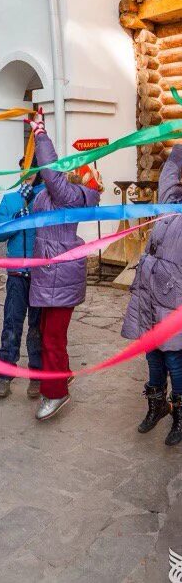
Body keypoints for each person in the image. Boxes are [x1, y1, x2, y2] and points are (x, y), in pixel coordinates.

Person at [27, 109, 101, 421]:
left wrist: (40, 132)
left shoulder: (72, 197)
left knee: (51, 337)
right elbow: (43, 180)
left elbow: (50, 173)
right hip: (49, 275)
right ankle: (63, 373)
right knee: (50, 331)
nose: (66, 171)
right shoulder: (56, 196)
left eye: (73, 169)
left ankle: (55, 394)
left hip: (59, 275)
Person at [122, 143, 182, 445]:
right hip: (148, 296)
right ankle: (157, 406)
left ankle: (180, 417)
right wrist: (179, 150)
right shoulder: (172, 203)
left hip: (174, 301)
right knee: (154, 357)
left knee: (175, 361)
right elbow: (168, 175)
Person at [0, 157, 44, 399]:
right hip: (16, 275)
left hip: (41, 274)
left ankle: (37, 375)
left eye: (32, 169)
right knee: (12, 323)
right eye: (24, 169)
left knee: (38, 327)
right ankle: (5, 375)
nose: (28, 173)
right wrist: (16, 219)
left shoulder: (46, 198)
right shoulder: (11, 199)